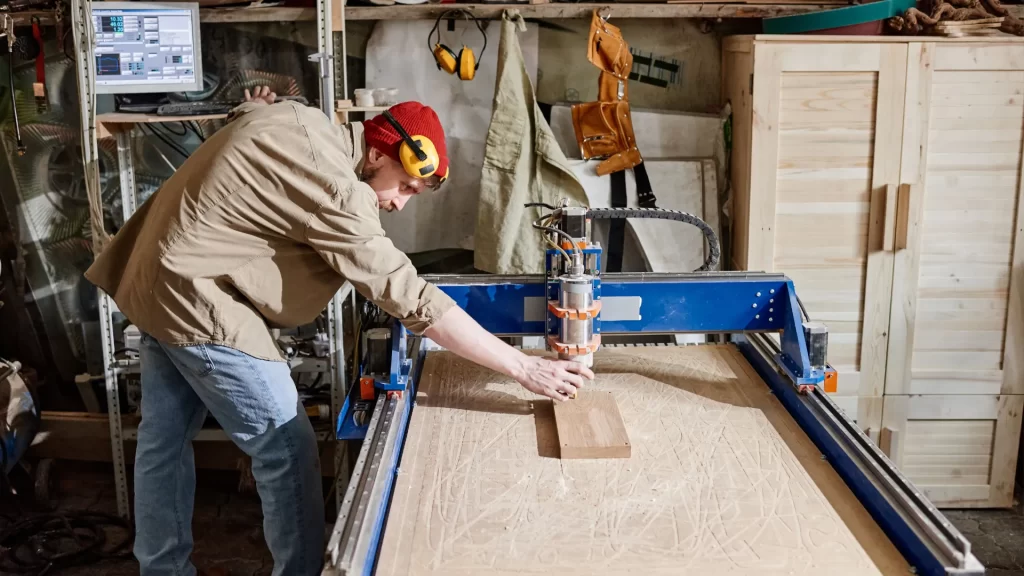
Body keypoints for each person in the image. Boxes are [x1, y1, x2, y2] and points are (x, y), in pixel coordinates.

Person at [83, 86, 594, 576]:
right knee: (286, 449)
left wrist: (259, 104)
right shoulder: (335, 188)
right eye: (405, 186)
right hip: (196, 301)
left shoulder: (301, 121)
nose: (399, 204)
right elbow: (408, 296)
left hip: (153, 280)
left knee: (162, 443)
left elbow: (254, 110)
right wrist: (522, 365)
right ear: (377, 153)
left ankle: (163, 569)